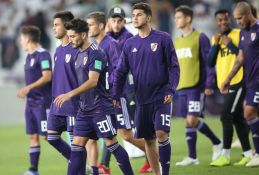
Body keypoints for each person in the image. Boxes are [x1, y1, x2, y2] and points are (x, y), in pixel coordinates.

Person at [54, 18, 134, 175]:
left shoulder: (96, 53)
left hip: (100, 109)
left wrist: (69, 94)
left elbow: (92, 81)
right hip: (84, 110)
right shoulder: (77, 55)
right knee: (76, 146)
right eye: (68, 36)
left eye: (73, 36)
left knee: (112, 144)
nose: (70, 40)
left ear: (84, 35)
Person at [112, 2, 180, 175]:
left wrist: (171, 89)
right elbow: (120, 71)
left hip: (161, 96)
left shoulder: (163, 38)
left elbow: (174, 67)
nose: (135, 18)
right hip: (142, 98)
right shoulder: (129, 44)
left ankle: (165, 173)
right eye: (133, 15)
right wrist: (115, 95)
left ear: (148, 17)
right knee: (149, 140)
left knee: (161, 133)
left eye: (139, 14)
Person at [86, 10, 151, 174]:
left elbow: (119, 70)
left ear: (101, 26)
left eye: (91, 25)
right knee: (110, 134)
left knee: (126, 135)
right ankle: (103, 167)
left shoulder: (111, 44)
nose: (88, 28)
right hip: (106, 98)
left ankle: (153, 156)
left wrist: (113, 93)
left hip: (118, 96)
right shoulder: (99, 45)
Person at [173, 5, 222, 166]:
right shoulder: (177, 41)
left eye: (179, 17)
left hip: (196, 86)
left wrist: (209, 83)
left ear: (188, 18)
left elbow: (209, 63)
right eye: (175, 17)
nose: (176, 20)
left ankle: (209, 147)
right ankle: (199, 153)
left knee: (191, 119)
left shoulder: (200, 37)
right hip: (182, 87)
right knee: (189, 121)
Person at [207, 9, 252, 167]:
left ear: (230, 20)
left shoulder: (238, 34)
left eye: (226, 19)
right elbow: (210, 62)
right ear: (216, 22)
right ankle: (247, 154)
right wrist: (217, 45)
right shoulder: (216, 38)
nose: (223, 22)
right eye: (220, 20)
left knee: (225, 115)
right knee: (238, 119)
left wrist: (230, 44)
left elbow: (245, 57)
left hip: (238, 81)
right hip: (225, 84)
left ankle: (225, 154)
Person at [221, 2, 259, 167]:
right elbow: (241, 58)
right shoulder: (244, 33)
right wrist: (228, 79)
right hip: (249, 81)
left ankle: (257, 154)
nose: (238, 21)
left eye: (240, 18)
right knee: (249, 113)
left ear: (248, 13)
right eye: (236, 18)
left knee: (249, 112)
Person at [47, 11, 85, 174]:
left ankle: (80, 170)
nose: (53, 28)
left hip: (73, 104)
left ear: (67, 25)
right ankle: (83, 167)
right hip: (57, 103)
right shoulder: (58, 50)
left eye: (56, 25)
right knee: (52, 137)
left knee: (77, 144)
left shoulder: (76, 48)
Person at [17, 25, 52, 175]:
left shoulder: (42, 55)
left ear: (28, 39)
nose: (21, 42)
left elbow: (47, 76)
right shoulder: (28, 57)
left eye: (22, 39)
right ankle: (33, 170)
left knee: (49, 137)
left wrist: (28, 88)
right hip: (30, 104)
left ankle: (76, 161)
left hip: (42, 103)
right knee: (32, 136)